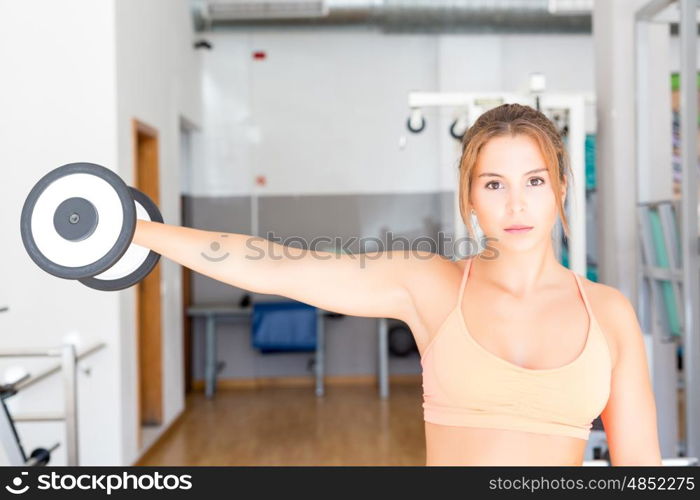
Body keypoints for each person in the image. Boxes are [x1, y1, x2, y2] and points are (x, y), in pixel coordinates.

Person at [133, 103, 662, 466]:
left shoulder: (609, 314)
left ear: (561, 189)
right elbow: (276, 264)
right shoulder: (428, 284)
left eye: (536, 181)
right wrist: (138, 230)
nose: (516, 204)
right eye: (494, 184)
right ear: (471, 198)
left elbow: (641, 468)